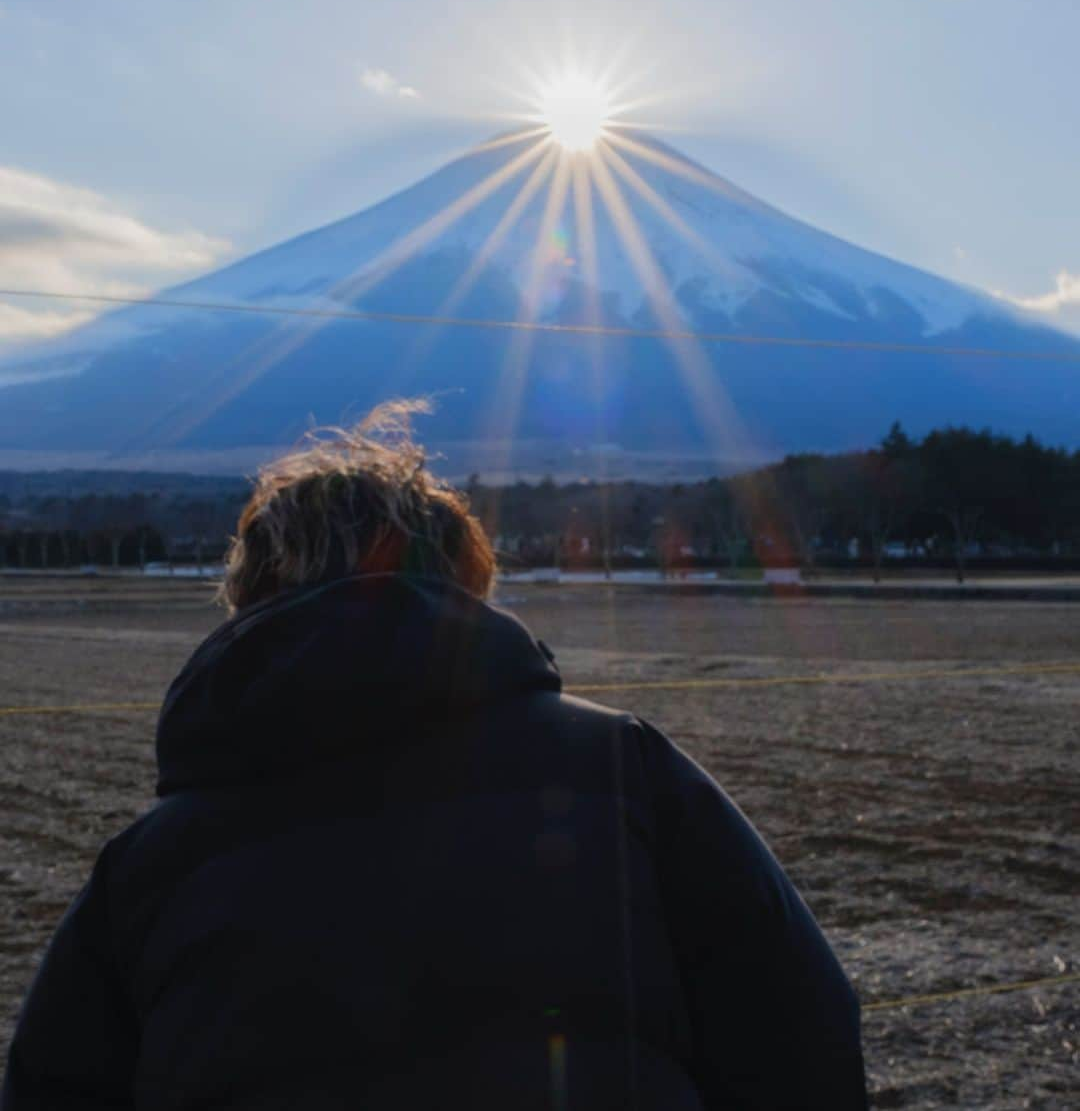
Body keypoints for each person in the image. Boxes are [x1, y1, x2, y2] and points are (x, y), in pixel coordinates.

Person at [2, 403, 867, 1110]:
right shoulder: (624, 769)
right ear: (464, 582)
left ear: (249, 599)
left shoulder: (150, 870)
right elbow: (802, 1024)